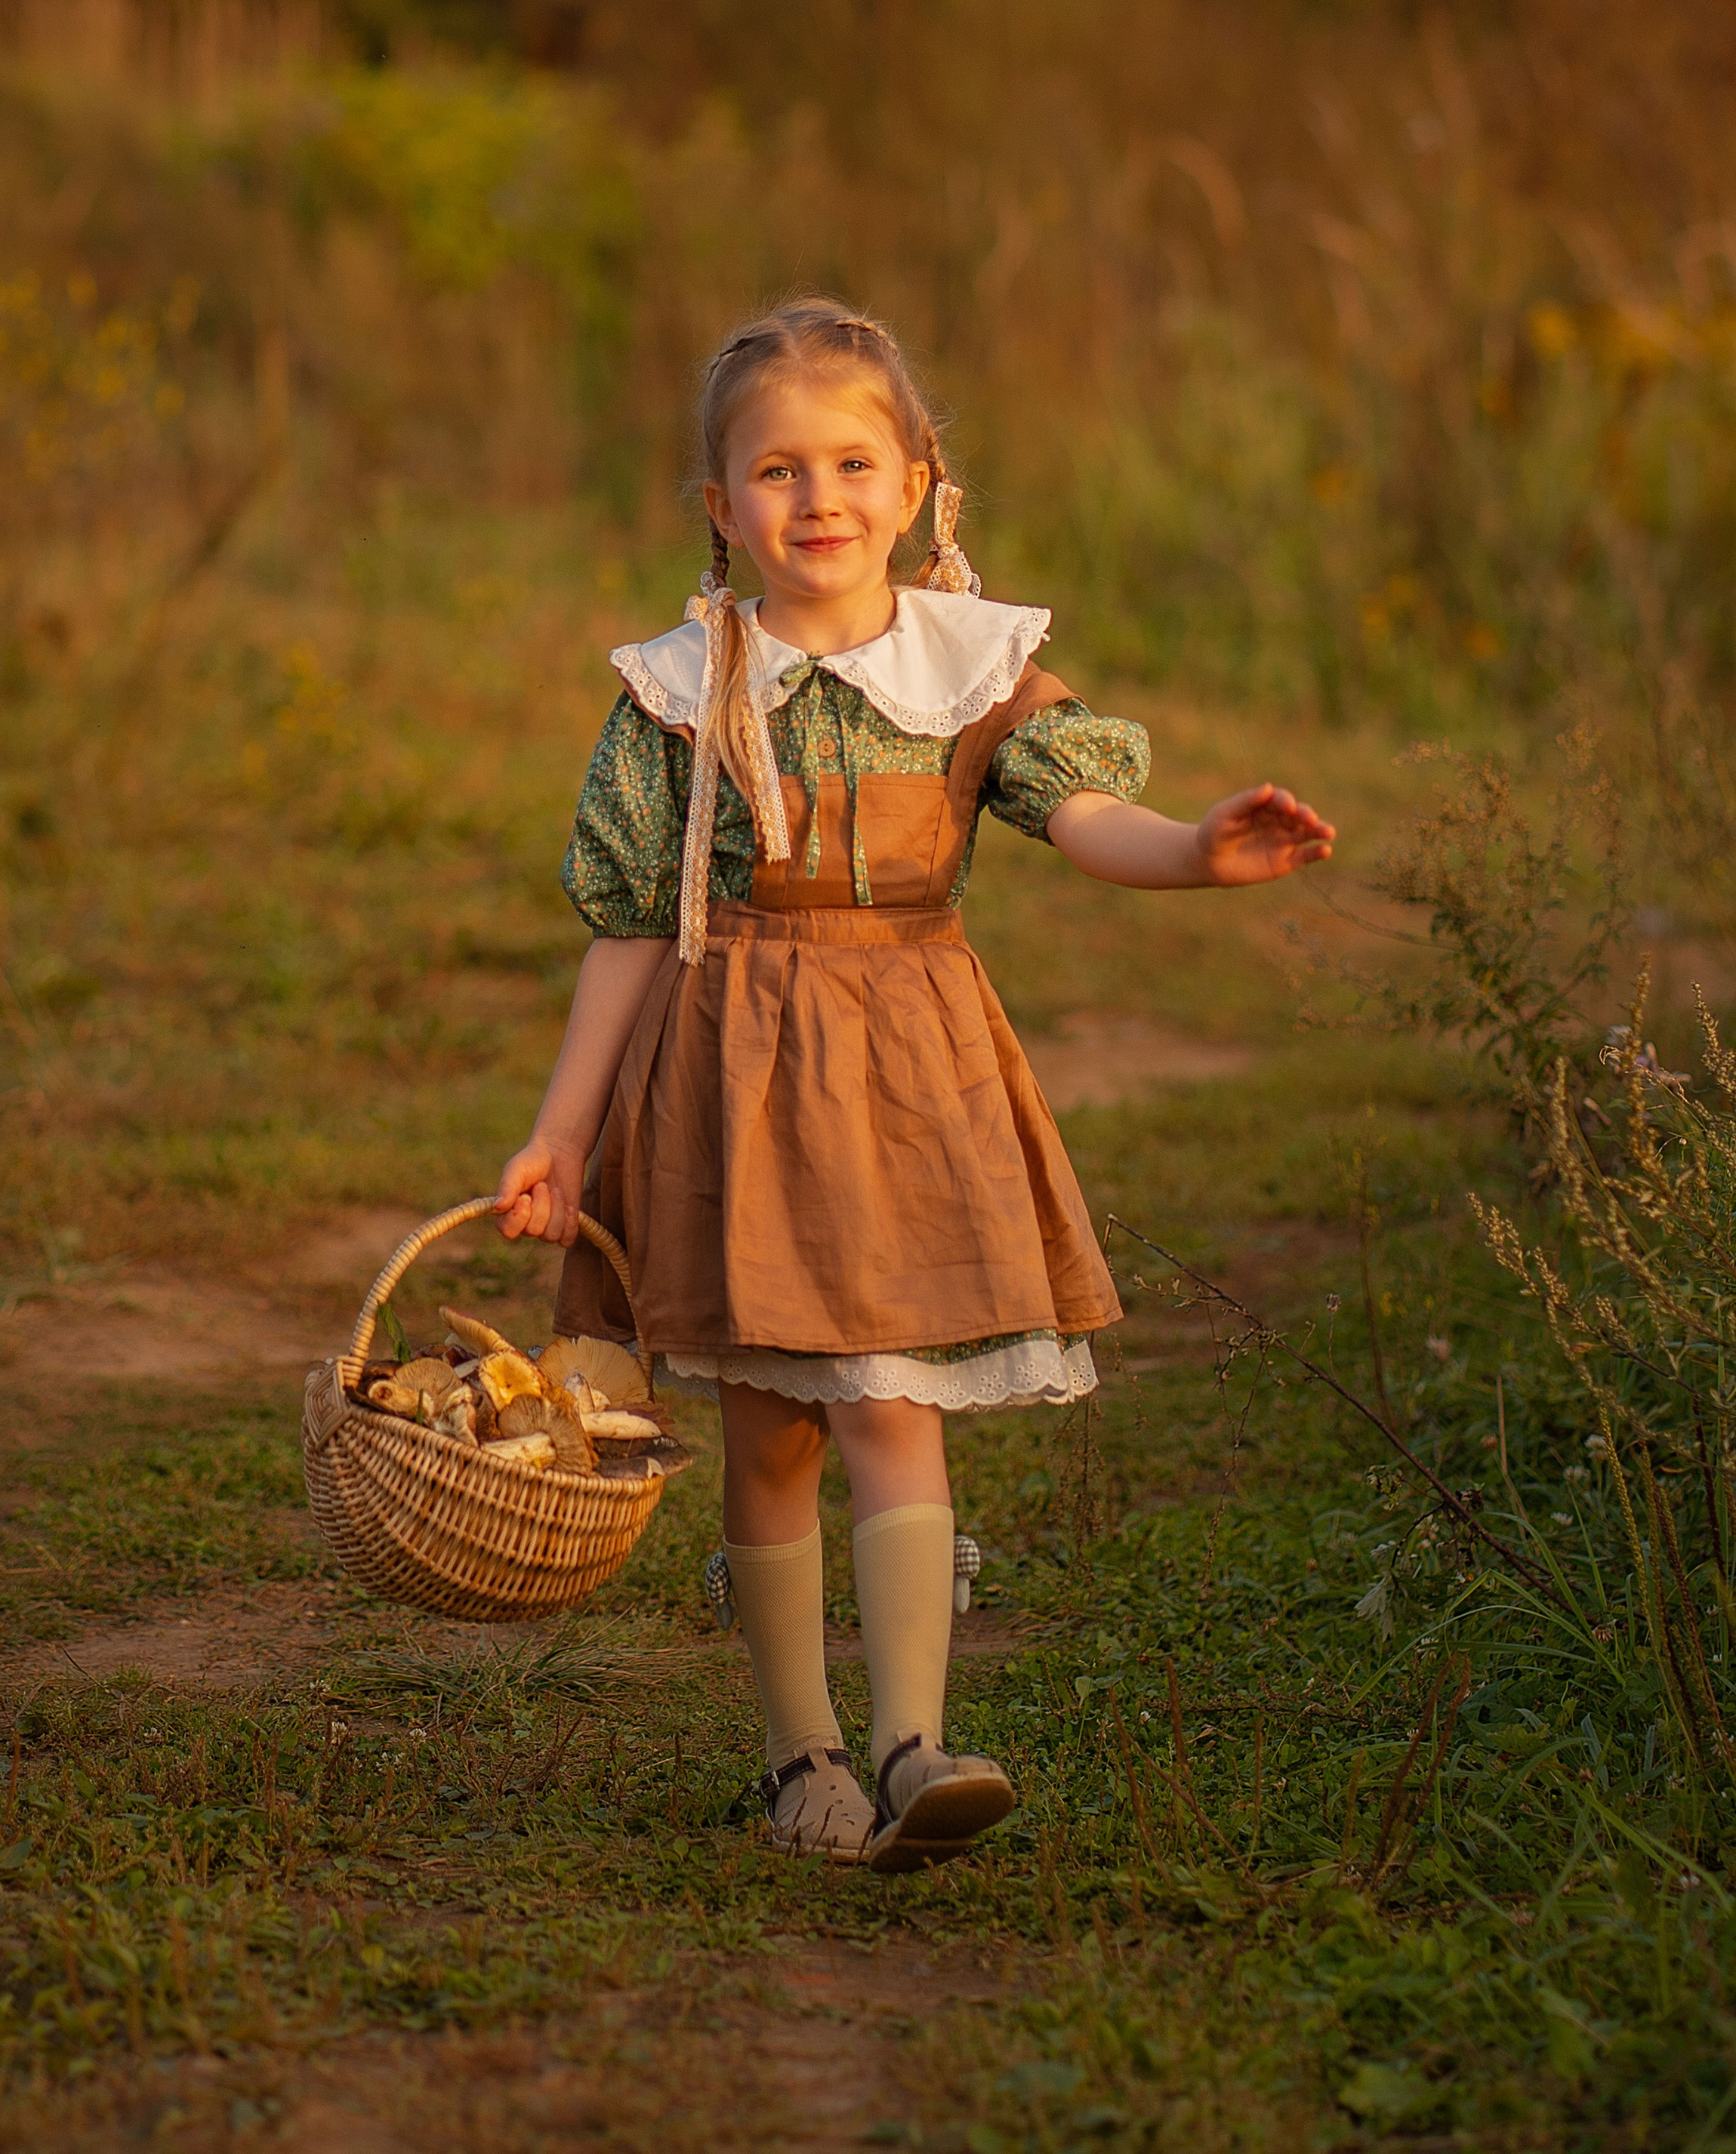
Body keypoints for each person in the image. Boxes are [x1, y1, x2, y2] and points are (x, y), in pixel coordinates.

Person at [492, 299, 1335, 1872]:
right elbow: (624, 927)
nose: (819, 500)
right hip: (731, 1070)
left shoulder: (973, 669)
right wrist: (557, 1133)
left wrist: (1198, 858)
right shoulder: (681, 689)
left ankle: (914, 1744)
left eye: (853, 463)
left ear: (919, 482)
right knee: (769, 1430)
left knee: (891, 1397)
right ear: (719, 510)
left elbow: (1081, 819)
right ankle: (798, 1754)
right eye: (777, 472)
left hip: (905, 1067)